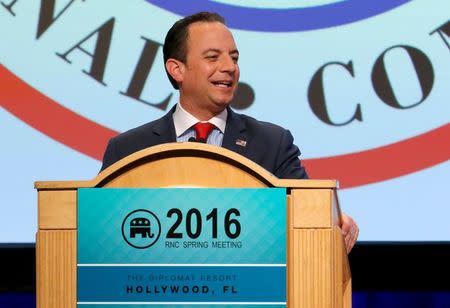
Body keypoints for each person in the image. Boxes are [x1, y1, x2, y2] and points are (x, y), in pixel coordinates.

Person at [100, 12, 359, 252]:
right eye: (213, 57)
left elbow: (310, 216)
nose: (229, 67)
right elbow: (100, 234)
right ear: (177, 69)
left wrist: (337, 224)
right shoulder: (128, 149)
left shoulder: (273, 143)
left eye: (234, 58)